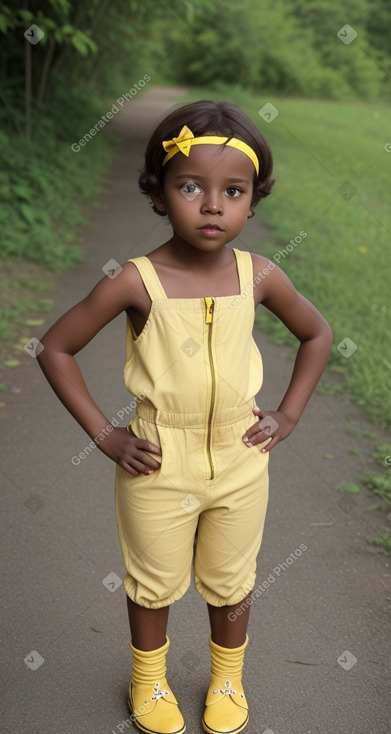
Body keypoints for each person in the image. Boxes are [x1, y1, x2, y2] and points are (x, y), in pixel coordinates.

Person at [37, 99, 333, 734]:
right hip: (157, 464)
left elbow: (318, 334)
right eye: (190, 186)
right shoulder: (135, 282)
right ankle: (149, 681)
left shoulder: (259, 277)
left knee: (232, 580)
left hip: (240, 459)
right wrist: (107, 435)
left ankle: (227, 677)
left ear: (253, 201)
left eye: (234, 190)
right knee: (153, 582)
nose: (212, 205)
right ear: (158, 192)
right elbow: (54, 348)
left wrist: (288, 414)